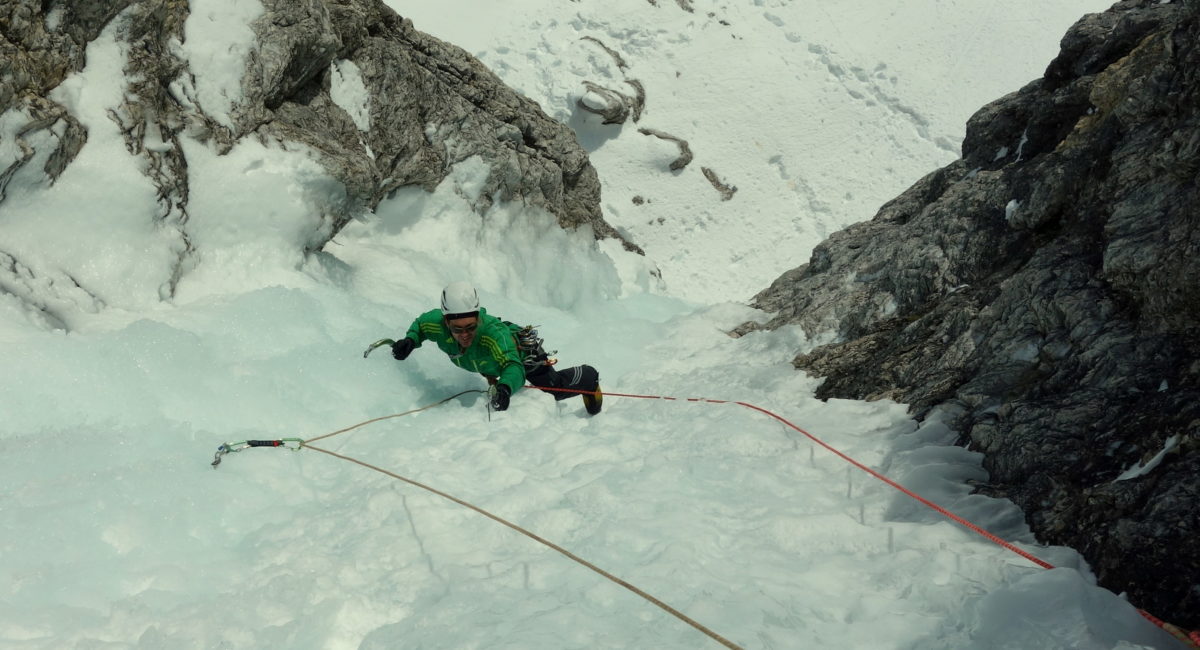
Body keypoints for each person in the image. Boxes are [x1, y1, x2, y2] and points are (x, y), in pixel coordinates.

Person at [391, 282, 602, 415]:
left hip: (522, 353)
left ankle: (589, 377)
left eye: (471, 327)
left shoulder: (493, 334)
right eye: (457, 329)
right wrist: (410, 340)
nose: (464, 334)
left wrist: (505, 388)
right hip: (487, 362)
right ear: (446, 323)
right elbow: (420, 325)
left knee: (554, 388)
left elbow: (513, 366)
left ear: (478, 319)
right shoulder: (434, 323)